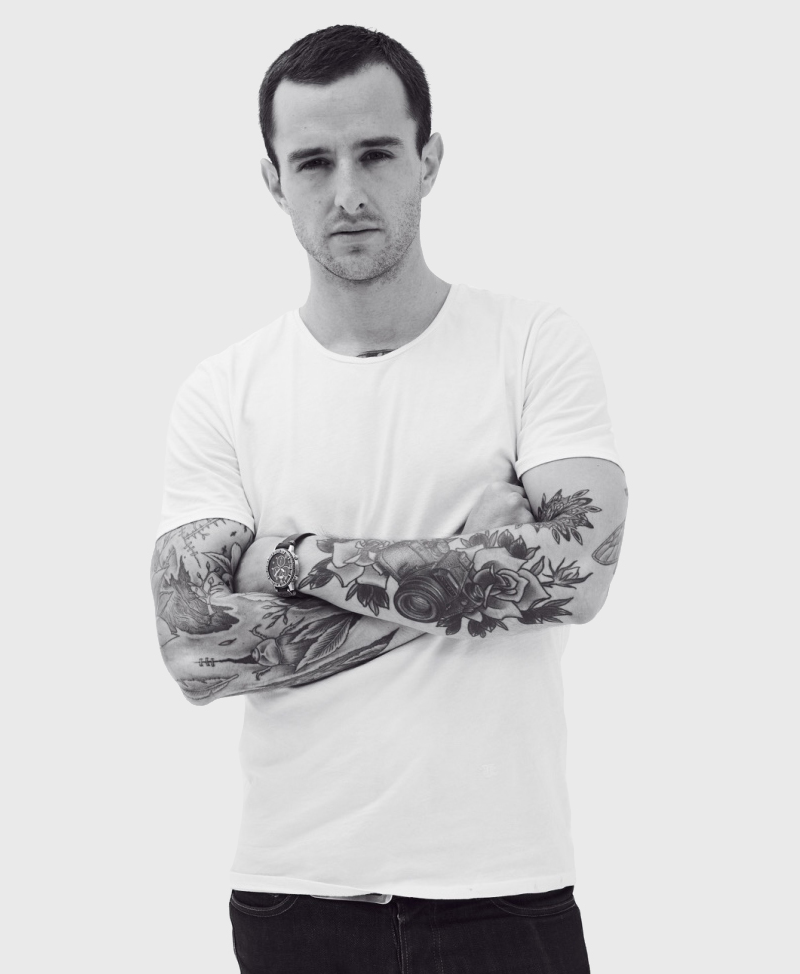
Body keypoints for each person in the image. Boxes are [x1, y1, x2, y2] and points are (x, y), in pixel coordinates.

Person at [151, 25, 627, 974]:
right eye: (313, 163)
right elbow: (196, 651)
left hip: (502, 884)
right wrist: (472, 569)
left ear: (428, 159)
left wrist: (290, 563)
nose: (348, 193)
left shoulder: (530, 345)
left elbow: (575, 578)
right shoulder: (225, 389)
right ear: (273, 180)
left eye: (375, 153)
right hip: (296, 891)